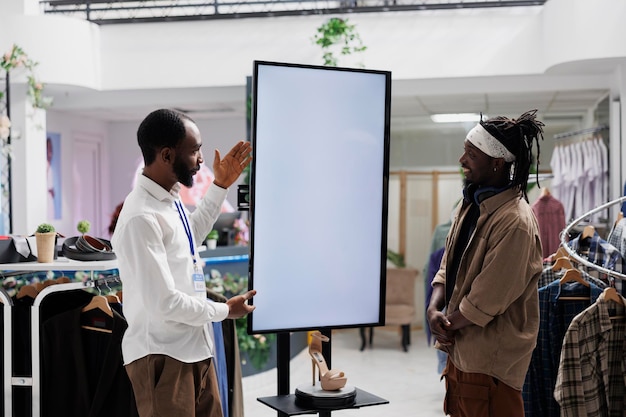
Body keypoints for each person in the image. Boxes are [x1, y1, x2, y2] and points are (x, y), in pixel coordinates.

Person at [111, 108, 255, 417]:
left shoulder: (170, 198)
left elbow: (191, 238)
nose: (202, 159)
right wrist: (224, 311)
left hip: (195, 351)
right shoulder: (140, 217)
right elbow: (164, 303)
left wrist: (221, 186)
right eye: (194, 150)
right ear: (166, 155)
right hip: (162, 358)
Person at [427, 110, 545, 417]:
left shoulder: (515, 222)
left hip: (490, 365)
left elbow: (486, 300)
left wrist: (446, 324)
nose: (461, 160)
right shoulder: (472, 204)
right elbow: (447, 264)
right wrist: (433, 307)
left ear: (497, 163)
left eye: (471, 154)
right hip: (460, 352)